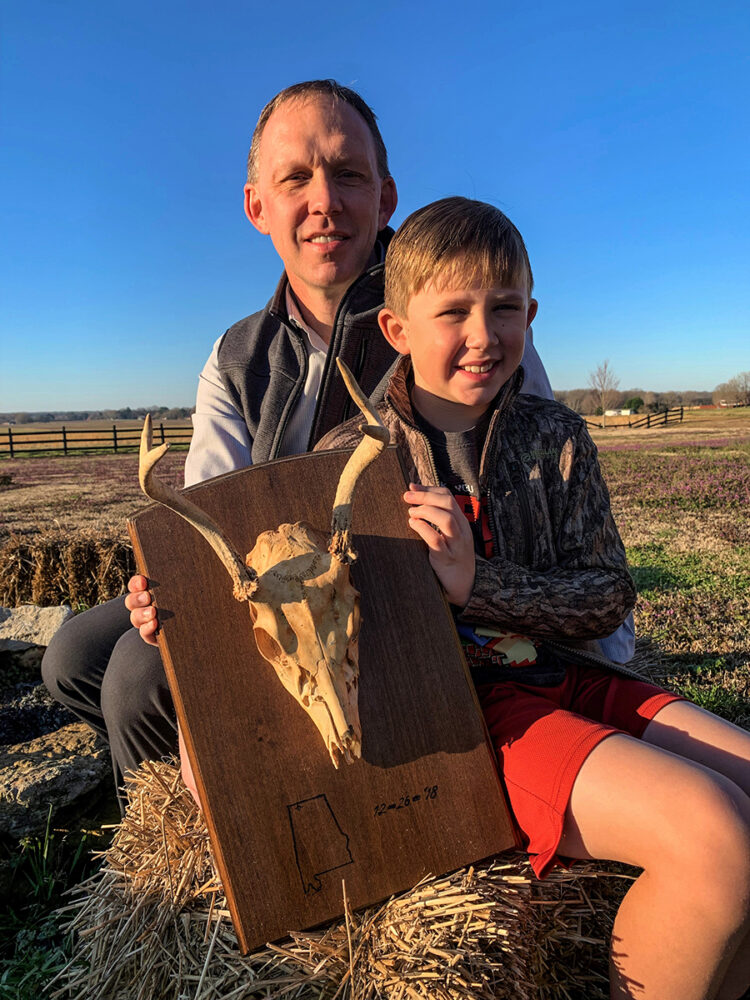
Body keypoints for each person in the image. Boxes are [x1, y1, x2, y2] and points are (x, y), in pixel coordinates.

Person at [41, 80, 628, 810]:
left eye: (348, 173)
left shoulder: (451, 311)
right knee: (70, 658)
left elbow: (540, 486)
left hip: (385, 589)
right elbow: (205, 516)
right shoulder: (237, 356)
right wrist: (175, 595)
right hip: (269, 577)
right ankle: (195, 808)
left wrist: (595, 652)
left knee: (135, 678)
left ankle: (247, 827)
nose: (324, 200)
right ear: (257, 206)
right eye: (295, 178)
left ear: (385, 197)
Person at [314, 197, 750, 1000]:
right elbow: (311, 620)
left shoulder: (556, 438)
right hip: (474, 717)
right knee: (717, 837)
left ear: (532, 315)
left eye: (506, 308)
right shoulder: (348, 462)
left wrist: (478, 582)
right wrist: (174, 615)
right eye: (454, 312)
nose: (485, 335)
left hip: (576, 674)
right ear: (397, 329)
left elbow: (608, 594)